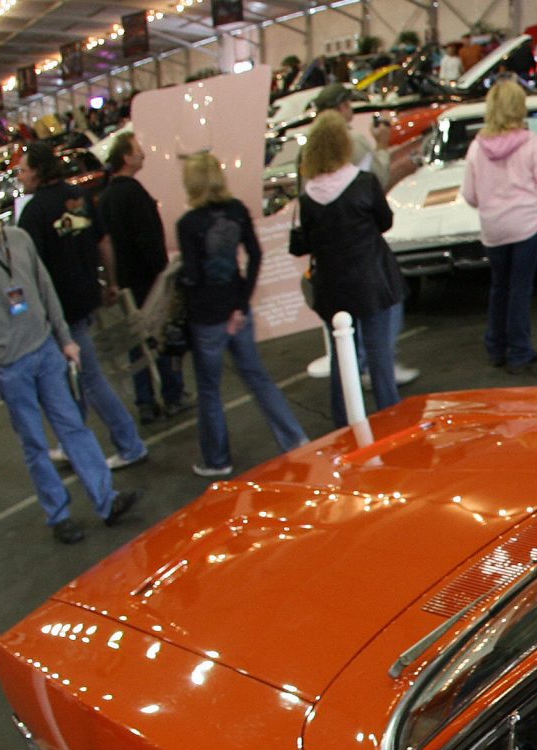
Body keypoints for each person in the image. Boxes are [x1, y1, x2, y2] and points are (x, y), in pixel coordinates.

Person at [0, 175, 136, 544]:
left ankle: (107, 499)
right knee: (35, 443)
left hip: (44, 349)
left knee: (72, 426)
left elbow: (46, 288)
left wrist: (65, 339)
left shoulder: (20, 239)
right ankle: (58, 514)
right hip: (11, 364)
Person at [16, 140, 149, 469]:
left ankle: (129, 443)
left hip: (61, 308)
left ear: (36, 171)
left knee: (88, 377)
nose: (19, 177)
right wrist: (111, 281)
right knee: (72, 377)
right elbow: (103, 241)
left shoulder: (33, 214)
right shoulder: (78, 198)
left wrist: (22, 313)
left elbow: (25, 269)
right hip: (87, 295)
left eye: (22, 170)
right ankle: (70, 441)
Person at [176, 153, 307, 478]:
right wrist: (242, 303)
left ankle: (217, 459)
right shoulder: (237, 211)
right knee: (258, 378)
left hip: (206, 316)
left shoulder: (188, 224)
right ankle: (295, 439)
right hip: (237, 307)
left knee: (209, 388)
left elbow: (191, 275)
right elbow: (256, 255)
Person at [293, 110, 404, 427]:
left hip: (332, 286)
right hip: (371, 280)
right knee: (379, 354)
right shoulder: (364, 183)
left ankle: (344, 424)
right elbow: (385, 222)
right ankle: (390, 419)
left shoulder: (309, 196)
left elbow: (310, 241)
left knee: (344, 359)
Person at [460, 78, 537, 371]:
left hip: (493, 228)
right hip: (526, 224)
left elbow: (469, 194)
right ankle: (519, 351)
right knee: (520, 289)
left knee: (499, 286)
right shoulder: (530, 142)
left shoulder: (477, 147)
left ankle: (496, 346)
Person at [97, 130, 188, 424]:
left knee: (136, 344)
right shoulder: (135, 194)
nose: (143, 153)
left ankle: (145, 401)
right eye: (138, 149)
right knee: (161, 338)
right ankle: (173, 395)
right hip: (149, 280)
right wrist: (164, 271)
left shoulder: (107, 196)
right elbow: (148, 240)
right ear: (126, 157)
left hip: (125, 281)